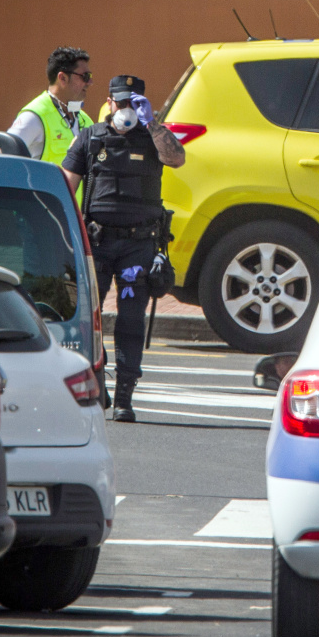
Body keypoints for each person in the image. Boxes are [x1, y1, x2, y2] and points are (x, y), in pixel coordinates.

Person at [62, 75, 186, 423]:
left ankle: (124, 398)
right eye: (122, 102)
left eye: (134, 103)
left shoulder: (153, 138)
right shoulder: (90, 138)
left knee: (131, 320)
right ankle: (96, 386)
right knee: (90, 320)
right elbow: (66, 184)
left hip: (138, 245)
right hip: (98, 243)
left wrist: (153, 123)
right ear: (109, 102)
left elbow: (177, 159)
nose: (127, 108)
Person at [7, 47, 95, 162]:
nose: (90, 82)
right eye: (85, 76)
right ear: (62, 78)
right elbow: (3, 157)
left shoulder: (86, 121)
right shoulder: (34, 117)